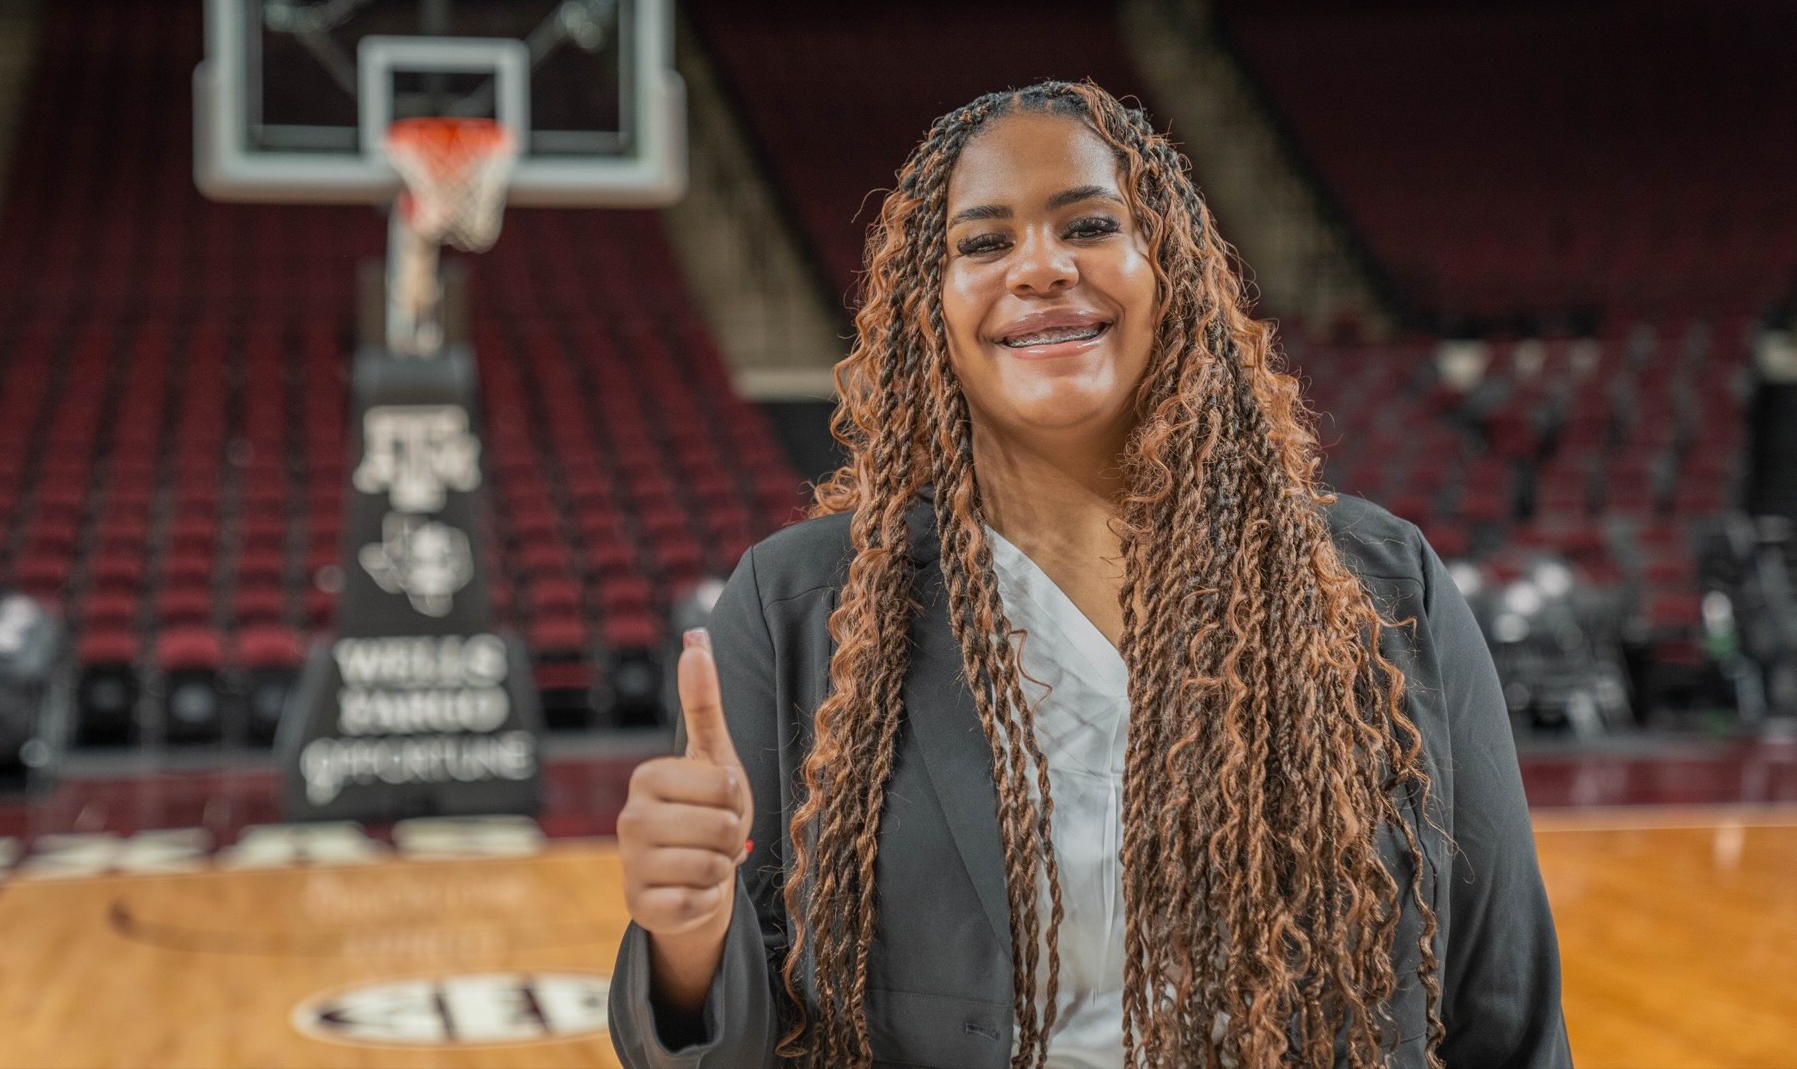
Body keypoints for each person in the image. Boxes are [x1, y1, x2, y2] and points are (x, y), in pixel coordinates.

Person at [608, 80, 1570, 1069]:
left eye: (1090, 223)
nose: (1041, 265)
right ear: (927, 310)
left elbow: (1507, 1005)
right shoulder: (797, 610)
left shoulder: (1382, 586)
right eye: (983, 242)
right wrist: (686, 936)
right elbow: (713, 1044)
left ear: (1170, 271)